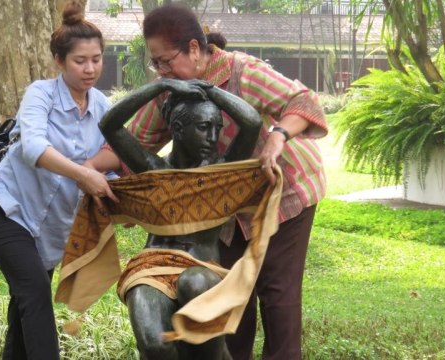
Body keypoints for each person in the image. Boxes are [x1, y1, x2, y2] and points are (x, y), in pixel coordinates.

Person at [87, 4, 328, 359]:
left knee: (278, 296)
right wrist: (82, 169)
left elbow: (303, 101)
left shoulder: (243, 71)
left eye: (166, 61)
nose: (161, 70)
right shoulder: (169, 91)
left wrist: (276, 135)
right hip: (223, 208)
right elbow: (131, 142)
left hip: (284, 193)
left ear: (195, 49)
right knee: (228, 300)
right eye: (157, 64)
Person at [0, 3, 116, 359]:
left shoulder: (102, 106)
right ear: (59, 61)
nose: (90, 69)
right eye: (80, 61)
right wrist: (83, 173)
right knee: (35, 292)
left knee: (25, 299)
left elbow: (116, 155)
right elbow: (32, 147)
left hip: (51, 227)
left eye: (96, 59)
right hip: (6, 209)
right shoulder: (41, 94)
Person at [98, 78, 261, 359]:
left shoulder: (219, 173)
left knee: (194, 283)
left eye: (216, 129)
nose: (212, 137)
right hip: (152, 268)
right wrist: (161, 85)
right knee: (155, 345)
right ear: (177, 129)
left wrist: (210, 91)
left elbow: (252, 123)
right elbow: (109, 124)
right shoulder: (154, 169)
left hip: (202, 267)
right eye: (203, 127)